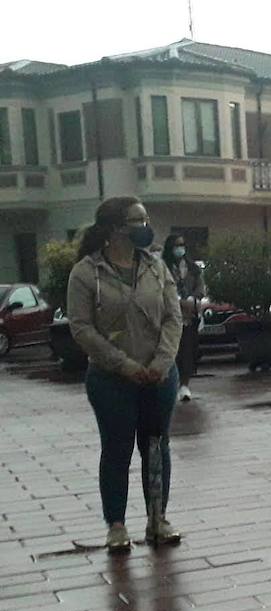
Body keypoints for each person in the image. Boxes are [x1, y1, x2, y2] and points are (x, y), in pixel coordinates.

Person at [67, 196, 184, 551]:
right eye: (138, 220)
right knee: (117, 450)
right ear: (116, 228)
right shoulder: (87, 273)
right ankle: (116, 525)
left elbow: (172, 317)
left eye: (146, 218)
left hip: (159, 376)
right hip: (111, 380)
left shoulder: (156, 267)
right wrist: (125, 365)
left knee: (156, 446)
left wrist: (162, 362)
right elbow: (82, 328)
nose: (145, 226)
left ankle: (157, 519)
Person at [163, 233, 206, 402]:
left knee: (188, 351)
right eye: (176, 245)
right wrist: (177, 301)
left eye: (182, 245)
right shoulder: (163, 267)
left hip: (189, 316)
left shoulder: (192, 268)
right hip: (170, 315)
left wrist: (192, 299)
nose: (180, 249)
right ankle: (171, 384)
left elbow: (201, 288)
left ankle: (185, 385)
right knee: (172, 351)